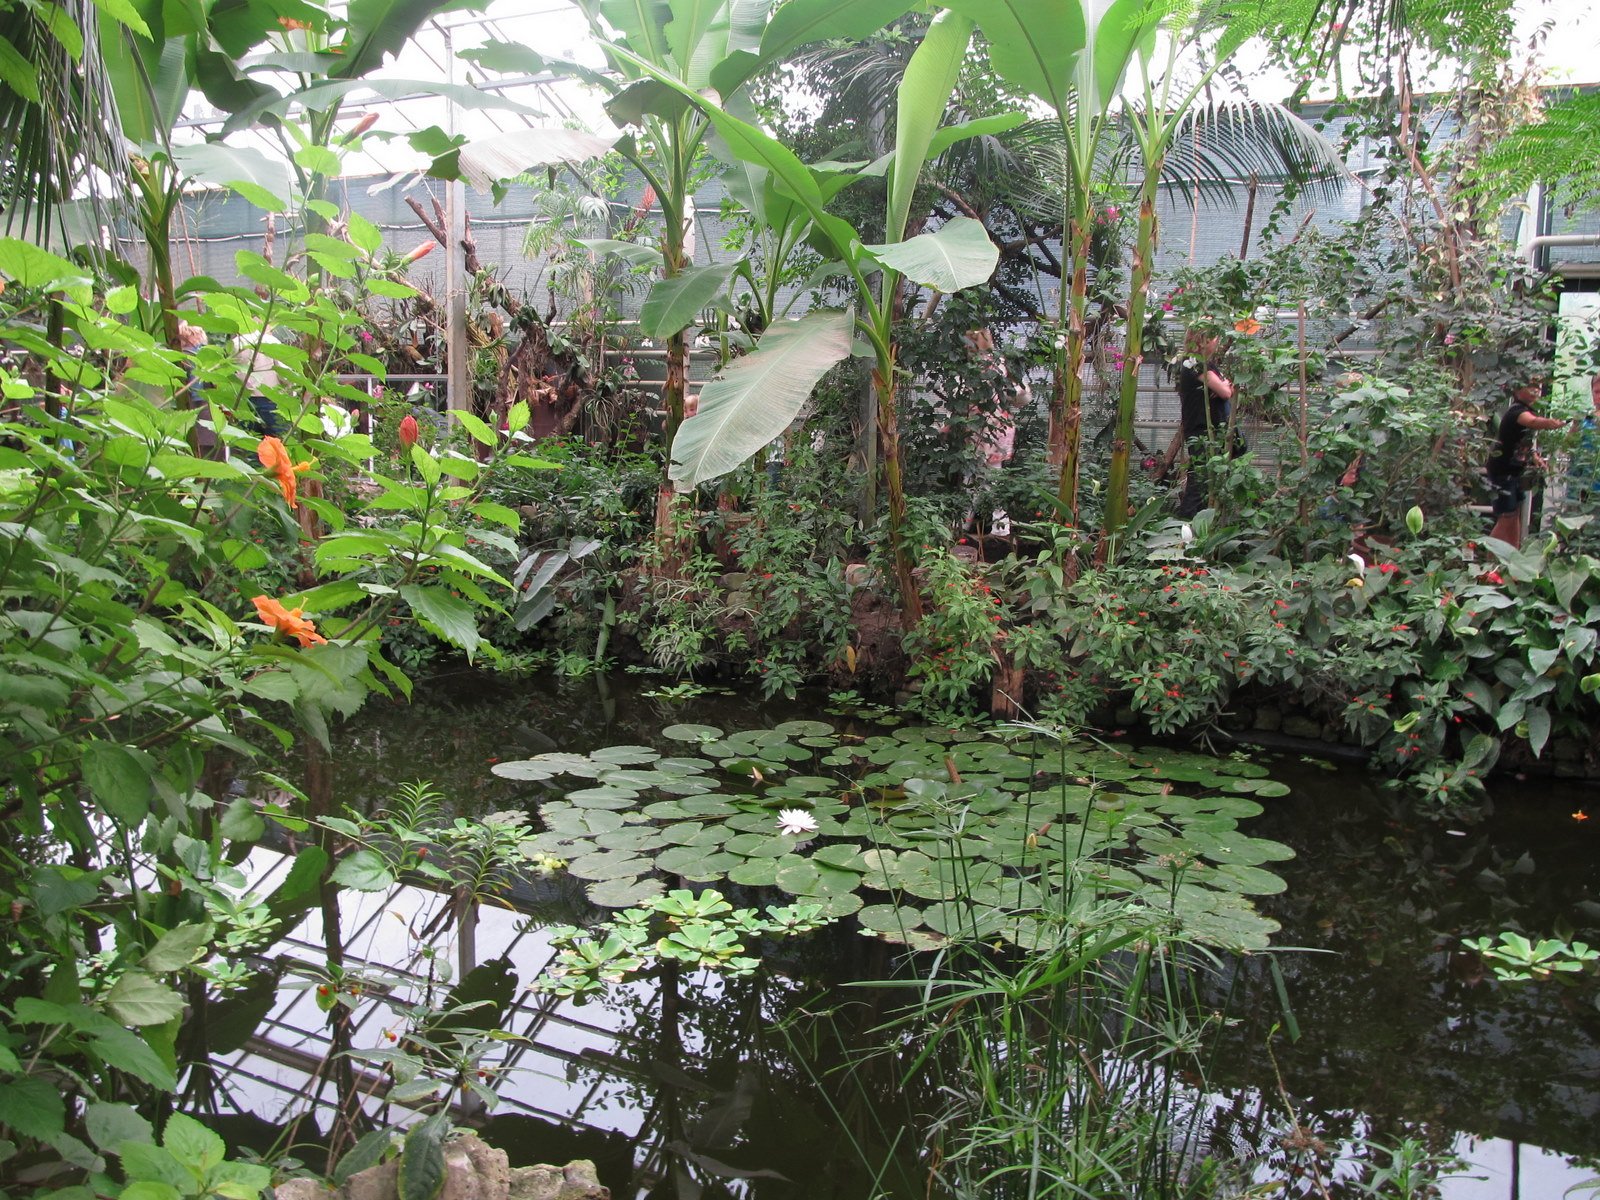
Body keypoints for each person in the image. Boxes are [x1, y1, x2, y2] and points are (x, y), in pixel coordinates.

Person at [1486, 378, 1574, 548]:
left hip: (1514, 471)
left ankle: (1514, 552)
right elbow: (1533, 422)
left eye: (1538, 387)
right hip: (1502, 472)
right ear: (1517, 390)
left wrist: (1534, 456)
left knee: (1514, 514)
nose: (1536, 390)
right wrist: (1555, 422)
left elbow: (1522, 441)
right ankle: (1492, 557)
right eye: (1530, 386)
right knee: (1506, 517)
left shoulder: (1528, 410)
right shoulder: (1517, 411)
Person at [1174, 332, 1243, 519]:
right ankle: (1187, 522)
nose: (1216, 340)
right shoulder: (1193, 364)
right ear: (1201, 341)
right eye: (1213, 337)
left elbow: (1228, 387)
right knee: (1200, 479)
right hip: (1202, 431)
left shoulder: (1207, 365)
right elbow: (1226, 392)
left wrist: (1223, 386)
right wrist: (1222, 387)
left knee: (1208, 478)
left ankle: (1204, 520)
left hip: (1214, 430)